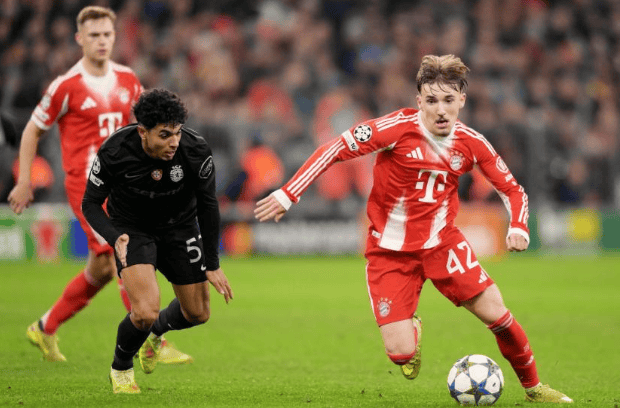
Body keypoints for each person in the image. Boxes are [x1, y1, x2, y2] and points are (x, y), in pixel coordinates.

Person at [255, 55, 573, 404]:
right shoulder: (396, 129)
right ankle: (411, 333)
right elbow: (335, 148)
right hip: (389, 252)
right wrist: (288, 193)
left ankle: (534, 388)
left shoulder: (472, 143)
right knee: (400, 354)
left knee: (497, 313)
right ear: (419, 101)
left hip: (441, 245)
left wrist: (519, 227)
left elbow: (512, 189)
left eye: (449, 100)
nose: (441, 109)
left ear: (462, 101)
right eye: (432, 100)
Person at [6, 6, 191, 365]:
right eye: (94, 35)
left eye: (107, 34)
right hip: (87, 188)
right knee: (122, 251)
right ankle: (151, 340)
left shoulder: (128, 80)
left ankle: (44, 327)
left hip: (124, 186)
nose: (101, 41)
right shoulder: (66, 86)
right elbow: (31, 130)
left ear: (114, 36)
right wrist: (24, 180)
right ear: (80, 39)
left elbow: (145, 131)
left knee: (103, 269)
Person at [82, 88, 234, 394]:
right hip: (133, 230)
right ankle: (121, 368)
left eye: (177, 132)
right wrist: (114, 237)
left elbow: (208, 206)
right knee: (144, 312)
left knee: (198, 313)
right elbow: (90, 203)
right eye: (165, 135)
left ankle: (156, 334)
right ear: (143, 132)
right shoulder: (115, 151)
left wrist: (212, 263)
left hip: (180, 227)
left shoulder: (195, 150)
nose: (173, 142)